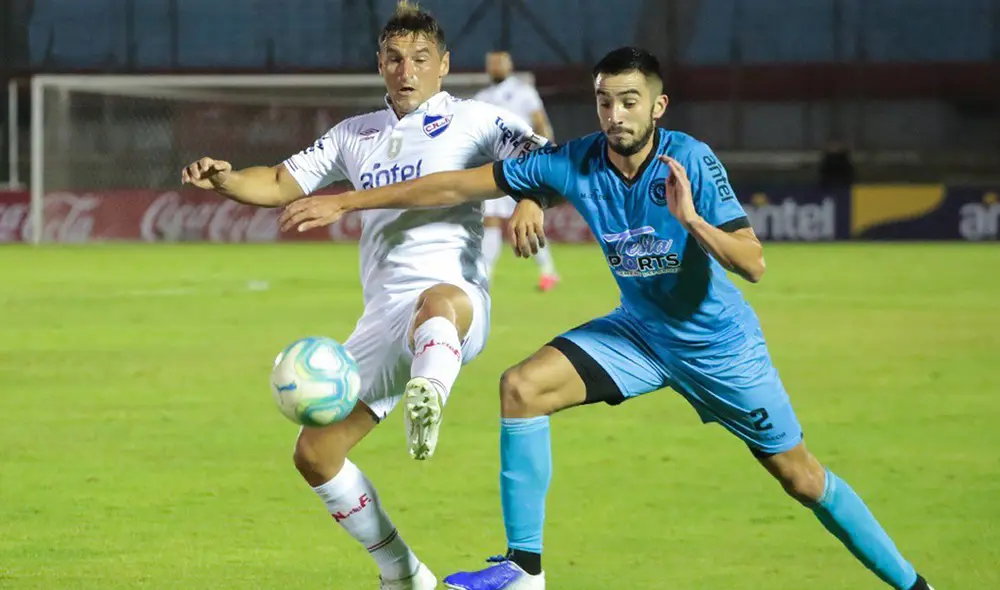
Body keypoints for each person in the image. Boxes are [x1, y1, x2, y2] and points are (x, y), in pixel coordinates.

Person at [277, 46, 936, 590]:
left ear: (657, 106)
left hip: (718, 348)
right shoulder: (576, 160)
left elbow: (753, 263)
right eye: (604, 101)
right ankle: (525, 571)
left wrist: (694, 221)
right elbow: (454, 185)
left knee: (802, 477)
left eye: (629, 101)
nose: (616, 114)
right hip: (639, 335)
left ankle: (915, 586)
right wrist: (348, 202)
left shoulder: (691, 161)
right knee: (522, 388)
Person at [180, 3, 544, 589]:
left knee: (437, 302)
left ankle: (432, 389)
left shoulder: (476, 120)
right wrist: (224, 179)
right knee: (315, 454)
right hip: (383, 316)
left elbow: (543, 157)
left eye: (421, 59)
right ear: (380, 65)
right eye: (396, 59)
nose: (408, 71)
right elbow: (277, 182)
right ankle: (402, 573)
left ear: (443, 65)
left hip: (456, 303)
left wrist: (530, 197)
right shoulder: (356, 135)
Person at [474, 50, 560, 291]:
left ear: (509, 65)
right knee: (490, 220)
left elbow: (540, 122)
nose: (495, 67)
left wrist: (548, 155)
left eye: (499, 62)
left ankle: (548, 272)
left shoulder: (524, 92)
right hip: (494, 166)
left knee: (527, 221)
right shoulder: (483, 97)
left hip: (524, 167)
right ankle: (485, 276)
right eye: (491, 63)